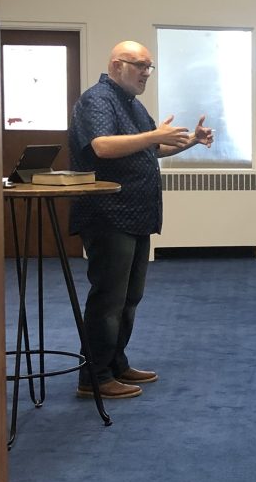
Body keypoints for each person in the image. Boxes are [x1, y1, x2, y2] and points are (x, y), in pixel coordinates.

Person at [69, 41, 214, 399]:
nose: (147, 72)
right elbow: (102, 145)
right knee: (109, 298)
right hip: (108, 215)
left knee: (130, 297)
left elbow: (152, 147)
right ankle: (95, 377)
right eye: (140, 65)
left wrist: (192, 141)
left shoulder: (130, 104)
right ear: (117, 66)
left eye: (150, 67)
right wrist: (155, 135)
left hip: (135, 214)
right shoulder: (97, 99)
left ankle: (116, 363)